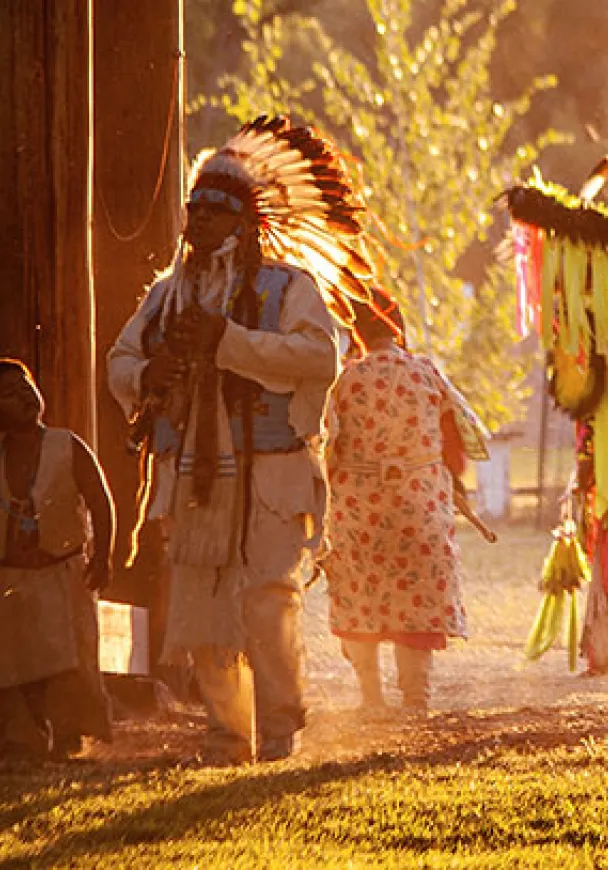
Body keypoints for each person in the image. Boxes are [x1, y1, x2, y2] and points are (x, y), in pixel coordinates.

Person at [107, 117, 373, 764]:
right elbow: (119, 360)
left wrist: (227, 344)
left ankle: (279, 726)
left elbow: (319, 359)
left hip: (271, 475)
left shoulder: (287, 288)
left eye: (212, 212)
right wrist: (151, 373)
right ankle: (230, 735)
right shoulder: (167, 296)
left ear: (243, 224)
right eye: (192, 211)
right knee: (202, 614)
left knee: (264, 598)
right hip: (194, 474)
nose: (196, 224)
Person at [322, 297, 487, 713]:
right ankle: (417, 699)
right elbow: (456, 442)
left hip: (359, 510)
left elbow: (327, 443)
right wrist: (452, 483)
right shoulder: (426, 372)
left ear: (354, 331)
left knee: (361, 596)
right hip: (419, 503)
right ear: (398, 329)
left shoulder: (342, 381)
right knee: (416, 598)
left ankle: (371, 699)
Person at [0, 360, 114, 758]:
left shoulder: (68, 445)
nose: (25, 396)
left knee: (69, 663)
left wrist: (102, 555)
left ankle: (69, 737)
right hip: (12, 579)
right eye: (10, 393)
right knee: (16, 665)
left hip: (63, 570)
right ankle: (23, 737)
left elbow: (100, 502)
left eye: (28, 385)